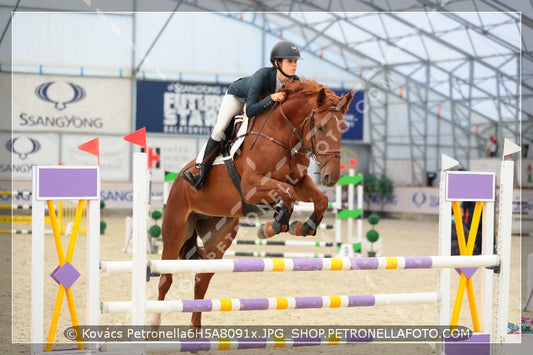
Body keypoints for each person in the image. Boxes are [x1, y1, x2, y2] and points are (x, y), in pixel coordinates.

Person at [182, 40, 302, 191]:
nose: (294, 65)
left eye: (295, 61)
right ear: (277, 62)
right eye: (290, 61)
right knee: (220, 130)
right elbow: (250, 110)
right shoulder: (262, 76)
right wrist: (271, 98)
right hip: (238, 97)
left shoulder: (296, 82)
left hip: (261, 103)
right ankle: (200, 173)